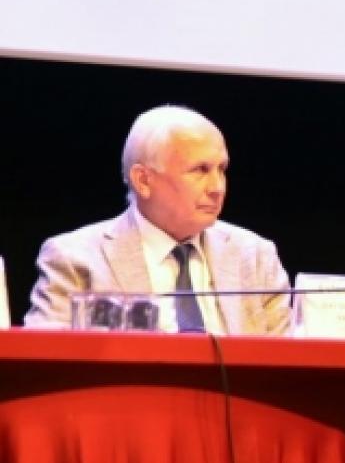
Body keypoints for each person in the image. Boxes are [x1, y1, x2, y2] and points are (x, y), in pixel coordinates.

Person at [25, 105, 291, 334]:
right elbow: (46, 359)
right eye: (200, 170)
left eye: (221, 169)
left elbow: (288, 361)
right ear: (143, 180)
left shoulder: (255, 257)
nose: (217, 187)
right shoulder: (75, 259)